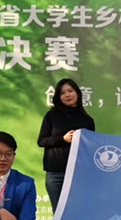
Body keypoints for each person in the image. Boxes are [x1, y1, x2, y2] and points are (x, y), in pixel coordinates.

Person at [38, 78, 95, 212]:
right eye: (62, 93)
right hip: (55, 173)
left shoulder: (87, 120)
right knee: (59, 213)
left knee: (77, 212)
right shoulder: (52, 116)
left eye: (70, 91)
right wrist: (63, 139)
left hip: (78, 173)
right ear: (58, 97)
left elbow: (91, 147)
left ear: (77, 93)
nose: (67, 95)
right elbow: (42, 141)